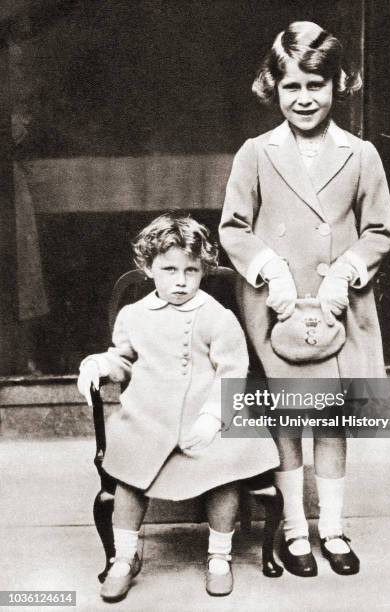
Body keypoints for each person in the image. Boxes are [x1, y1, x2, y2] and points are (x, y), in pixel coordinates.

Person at [219, 21, 390, 577]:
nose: (303, 98)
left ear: (337, 83)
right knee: (287, 419)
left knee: (332, 420)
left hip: (337, 307)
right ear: (273, 87)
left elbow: (379, 231)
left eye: (314, 85)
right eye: (291, 86)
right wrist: (269, 268)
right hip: (279, 310)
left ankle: (334, 530)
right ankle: (295, 529)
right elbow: (233, 227)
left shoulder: (362, 154)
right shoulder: (256, 152)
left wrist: (348, 271)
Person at [77, 213, 279, 601]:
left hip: (208, 417)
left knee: (224, 472)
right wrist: (100, 364)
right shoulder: (134, 316)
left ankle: (219, 555)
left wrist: (213, 417)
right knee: (129, 477)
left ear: (204, 271)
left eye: (191, 270)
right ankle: (124, 556)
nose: (181, 280)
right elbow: (123, 360)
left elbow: (233, 372)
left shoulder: (217, 317)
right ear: (148, 267)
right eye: (169, 269)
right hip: (150, 417)